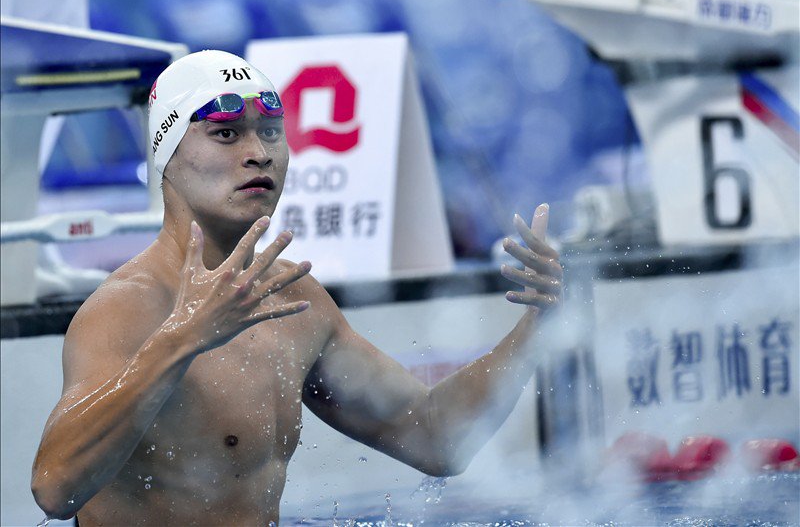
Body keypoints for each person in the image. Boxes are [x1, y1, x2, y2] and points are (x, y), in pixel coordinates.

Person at [31, 50, 564, 526]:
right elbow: (55, 490)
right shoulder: (126, 308)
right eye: (226, 132)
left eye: (269, 130)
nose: (259, 152)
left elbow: (436, 438)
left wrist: (539, 324)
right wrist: (183, 338)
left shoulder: (292, 302)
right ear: (166, 155)